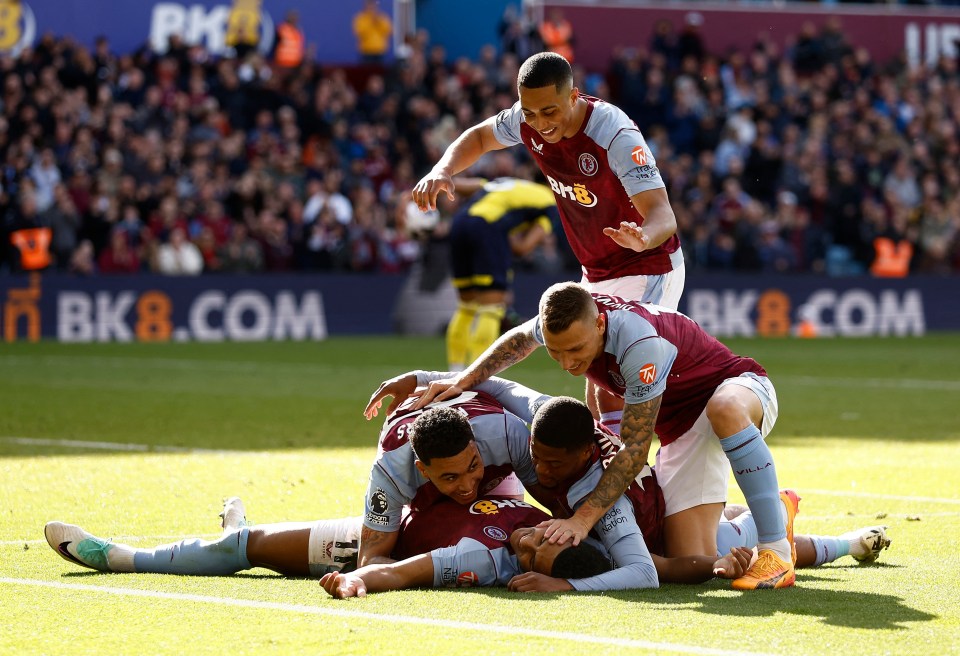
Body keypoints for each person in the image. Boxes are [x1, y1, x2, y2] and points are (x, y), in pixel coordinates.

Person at [396, 282, 797, 589]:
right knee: (685, 555)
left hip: (739, 390)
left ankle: (776, 551)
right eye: (556, 353)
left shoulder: (640, 346)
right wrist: (457, 380)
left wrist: (582, 520)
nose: (568, 363)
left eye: (575, 350)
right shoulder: (566, 321)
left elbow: (635, 450)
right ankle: (777, 510)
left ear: (600, 323)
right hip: (683, 430)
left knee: (723, 408)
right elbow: (516, 345)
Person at [411, 51, 684, 436]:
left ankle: (632, 477)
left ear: (574, 97)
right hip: (599, 270)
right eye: (530, 113)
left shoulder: (613, 133)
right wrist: (443, 169)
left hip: (647, 264)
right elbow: (480, 136)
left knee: (616, 384)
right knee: (598, 388)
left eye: (550, 112)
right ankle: (622, 473)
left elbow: (663, 215)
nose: (540, 124)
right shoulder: (528, 121)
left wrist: (643, 238)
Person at [445, 177, 558, 371]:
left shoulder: (511, 183)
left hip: (459, 224)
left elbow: (464, 185)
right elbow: (524, 248)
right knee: (491, 309)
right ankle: (476, 377)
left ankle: (454, 370)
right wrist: (505, 240)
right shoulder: (550, 202)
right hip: (487, 228)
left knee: (466, 307)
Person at [352, 0, 392, 65]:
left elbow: (388, 31)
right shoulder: (360, 18)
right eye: (369, 5)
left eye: (373, 5)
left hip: (380, 51)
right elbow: (359, 33)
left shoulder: (382, 18)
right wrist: (370, 22)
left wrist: (378, 22)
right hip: (366, 51)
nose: (371, 7)